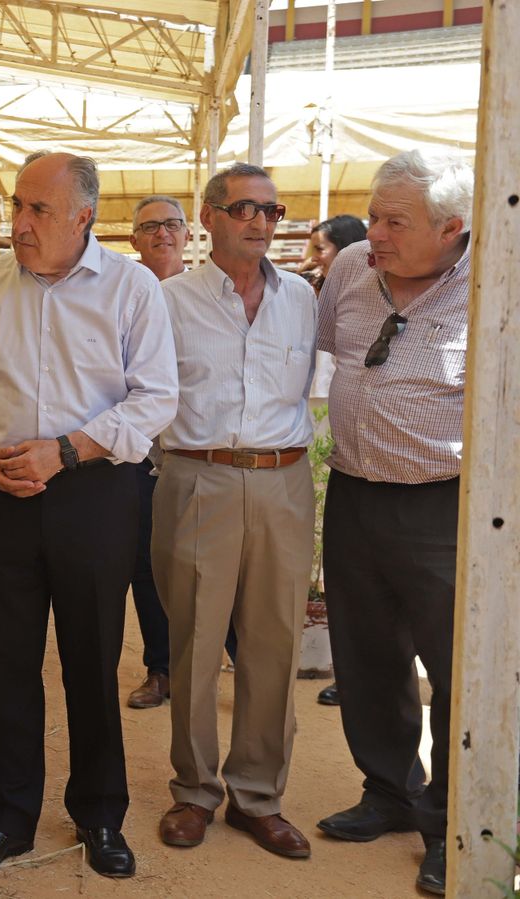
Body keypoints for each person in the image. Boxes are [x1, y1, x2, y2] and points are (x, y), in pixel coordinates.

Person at [0, 152, 177, 880]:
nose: (20, 222)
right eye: (18, 206)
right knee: (3, 658)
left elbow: (154, 397)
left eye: (38, 209)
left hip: (95, 492)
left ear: (83, 218)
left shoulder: (130, 289)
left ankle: (99, 814)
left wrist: (66, 451)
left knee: (94, 656)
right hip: (0, 489)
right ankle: (6, 819)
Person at [314, 149, 472, 897]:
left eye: (393, 221)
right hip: (353, 491)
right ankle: (389, 790)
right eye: (372, 215)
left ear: (452, 229)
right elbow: (318, 349)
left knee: (454, 667)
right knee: (367, 654)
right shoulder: (349, 268)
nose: (373, 231)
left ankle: (453, 824)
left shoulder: (493, 285)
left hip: (445, 503)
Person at [151, 162, 318, 860]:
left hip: (284, 480)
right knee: (194, 639)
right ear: (209, 216)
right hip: (198, 478)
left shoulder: (305, 299)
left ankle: (258, 795)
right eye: (245, 208)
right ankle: (194, 790)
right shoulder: (168, 300)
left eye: (271, 211)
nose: (260, 221)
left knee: (275, 640)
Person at [123, 195, 239, 710]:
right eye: (150, 227)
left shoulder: (207, 294)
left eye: (172, 224)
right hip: (142, 455)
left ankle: (238, 660)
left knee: (222, 563)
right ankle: (162, 668)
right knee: (148, 564)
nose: (162, 234)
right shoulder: (121, 293)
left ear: (189, 234)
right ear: (134, 241)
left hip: (203, 452)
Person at [298, 213, 367, 708]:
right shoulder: (313, 291)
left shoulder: (355, 288)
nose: (313, 257)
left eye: (320, 248)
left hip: (332, 429)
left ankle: (359, 673)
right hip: (319, 430)